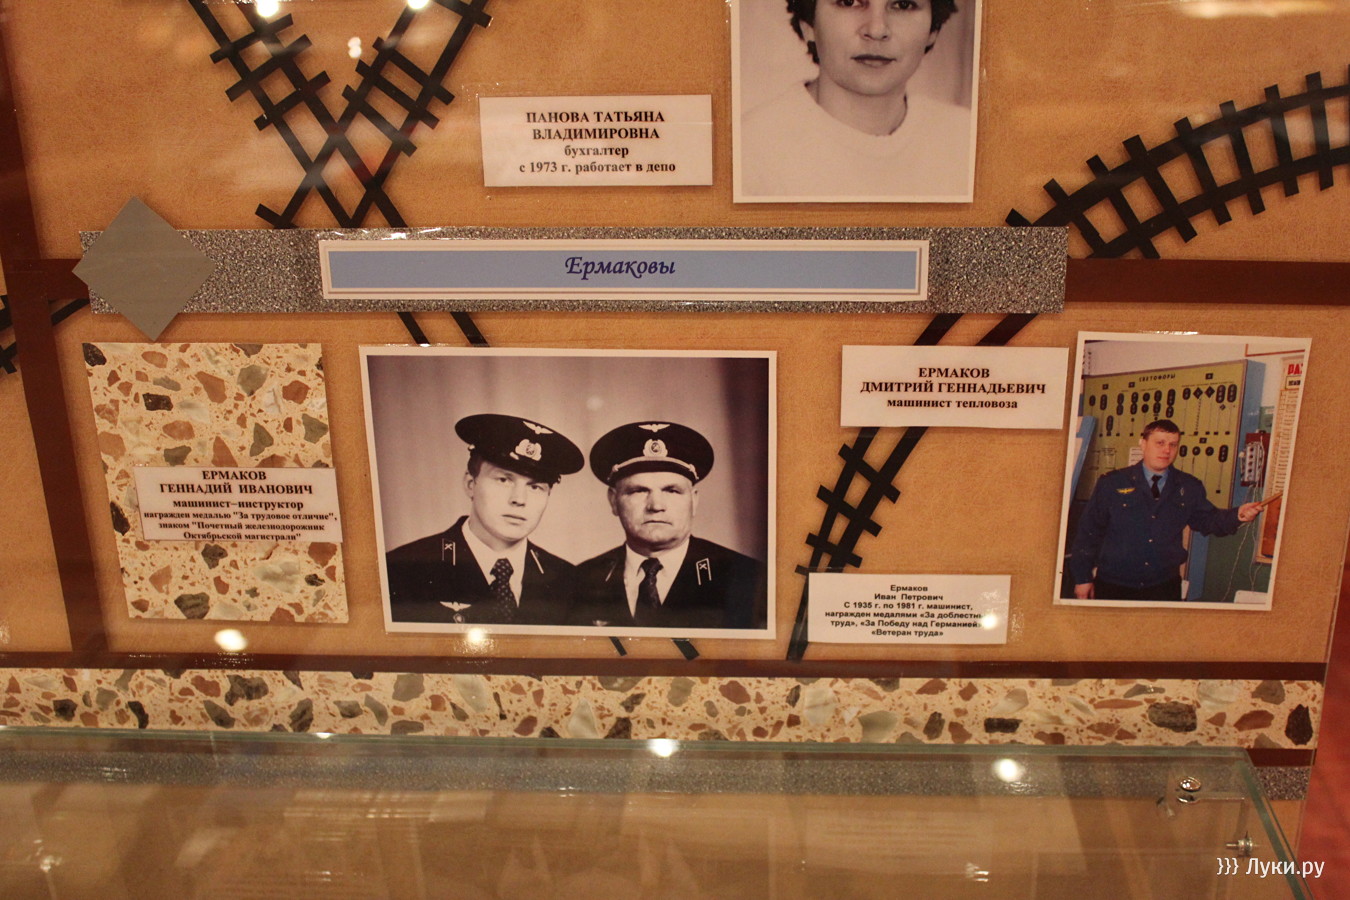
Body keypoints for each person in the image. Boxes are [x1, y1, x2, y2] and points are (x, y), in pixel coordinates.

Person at [739, 0, 972, 201]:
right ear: (808, 23)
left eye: (903, 4)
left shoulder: (969, 142)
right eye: (849, 2)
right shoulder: (748, 153)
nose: (877, 29)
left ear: (933, 30)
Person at [385, 414, 583, 625]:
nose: (519, 499)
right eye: (504, 480)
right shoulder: (402, 570)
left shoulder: (569, 581)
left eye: (535, 487)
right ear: (470, 484)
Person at [570, 422, 768, 630]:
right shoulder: (580, 581)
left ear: (694, 500)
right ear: (613, 501)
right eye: (638, 491)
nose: (656, 506)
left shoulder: (748, 578)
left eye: (672, 491)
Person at [1069, 419, 1262, 602]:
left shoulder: (1188, 486)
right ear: (1143, 444)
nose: (1166, 450)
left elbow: (1208, 520)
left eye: (1173, 444)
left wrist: (1238, 515)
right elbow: (1088, 532)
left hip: (1163, 586)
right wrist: (1082, 577)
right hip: (1115, 585)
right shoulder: (1112, 483)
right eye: (1160, 443)